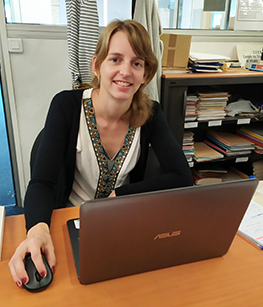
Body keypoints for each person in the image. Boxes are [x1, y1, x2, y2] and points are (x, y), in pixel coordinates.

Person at [9, 19, 193, 288]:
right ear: (97, 65)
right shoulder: (66, 107)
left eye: (137, 63)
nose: (125, 71)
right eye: (115, 59)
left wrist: (121, 195)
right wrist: (37, 229)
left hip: (122, 223)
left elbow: (181, 176)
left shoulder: (151, 113)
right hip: (70, 221)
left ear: (146, 74)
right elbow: (42, 183)